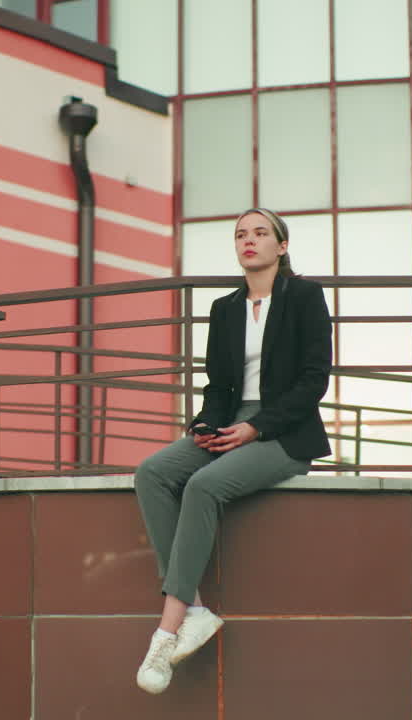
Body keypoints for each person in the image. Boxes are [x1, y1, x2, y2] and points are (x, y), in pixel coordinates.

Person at [133, 208, 333, 694]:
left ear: (281, 246)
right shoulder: (225, 308)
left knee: (204, 485)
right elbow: (217, 386)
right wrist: (205, 425)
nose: (250, 241)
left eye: (261, 233)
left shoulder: (305, 297)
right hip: (229, 423)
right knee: (153, 473)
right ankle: (196, 610)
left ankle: (167, 629)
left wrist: (256, 428)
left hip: (284, 433)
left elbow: (313, 382)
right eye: (241, 234)